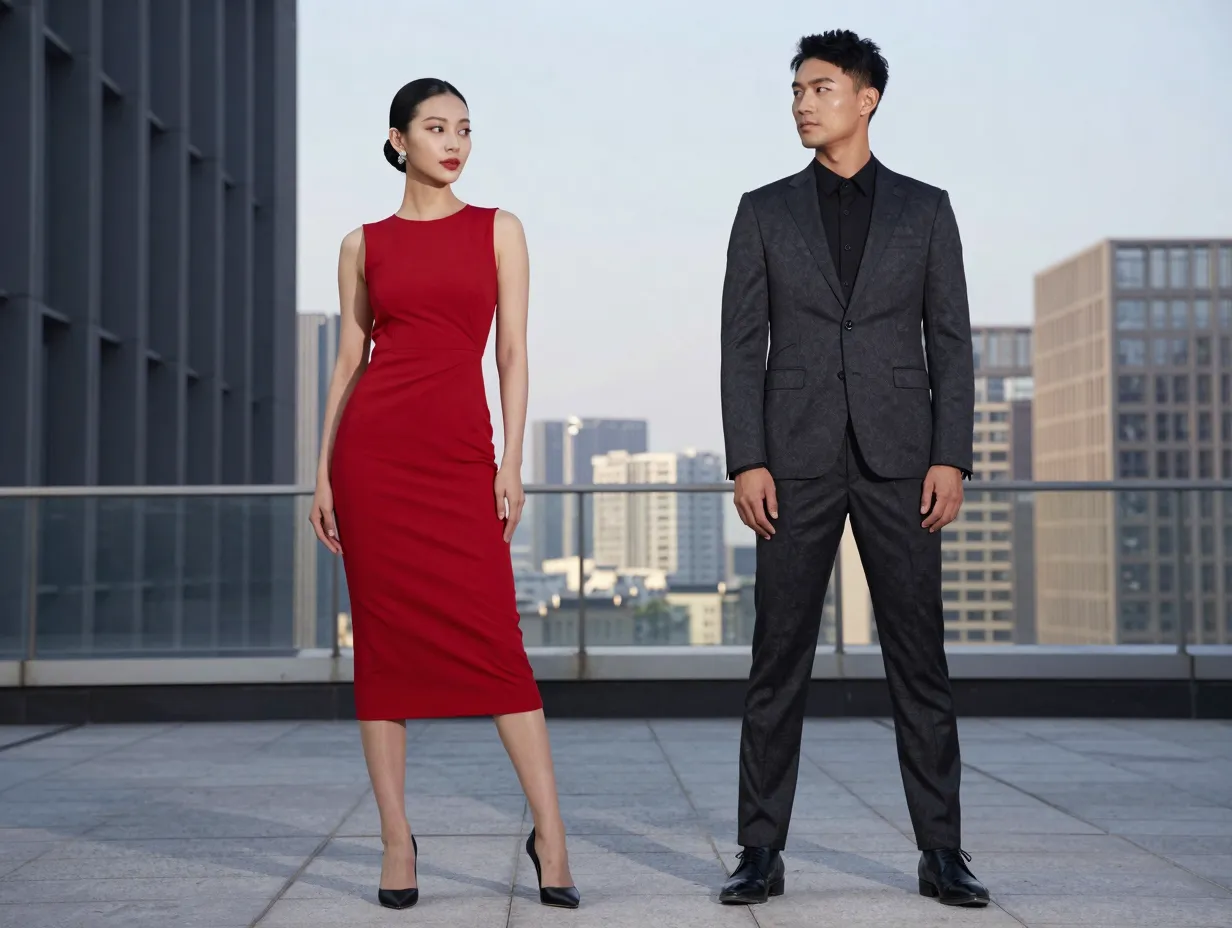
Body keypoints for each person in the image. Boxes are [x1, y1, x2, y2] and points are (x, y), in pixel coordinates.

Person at [718, 32, 988, 908]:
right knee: (777, 660)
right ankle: (760, 850)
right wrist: (747, 458)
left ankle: (942, 852)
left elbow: (950, 343)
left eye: (821, 87)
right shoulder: (762, 210)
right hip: (790, 462)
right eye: (796, 88)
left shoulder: (924, 209)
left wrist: (951, 454)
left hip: (901, 460)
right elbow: (739, 346)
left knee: (920, 660)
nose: (802, 101)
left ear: (867, 98)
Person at [310, 78, 579, 912]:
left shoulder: (500, 230)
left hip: (462, 457)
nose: (454, 142)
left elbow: (513, 355)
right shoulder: (363, 244)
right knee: (383, 652)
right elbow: (349, 359)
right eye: (435, 128)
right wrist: (324, 471)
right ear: (398, 141)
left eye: (464, 128)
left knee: (498, 642)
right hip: (374, 459)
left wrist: (511, 459)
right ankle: (397, 840)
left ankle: (552, 836)